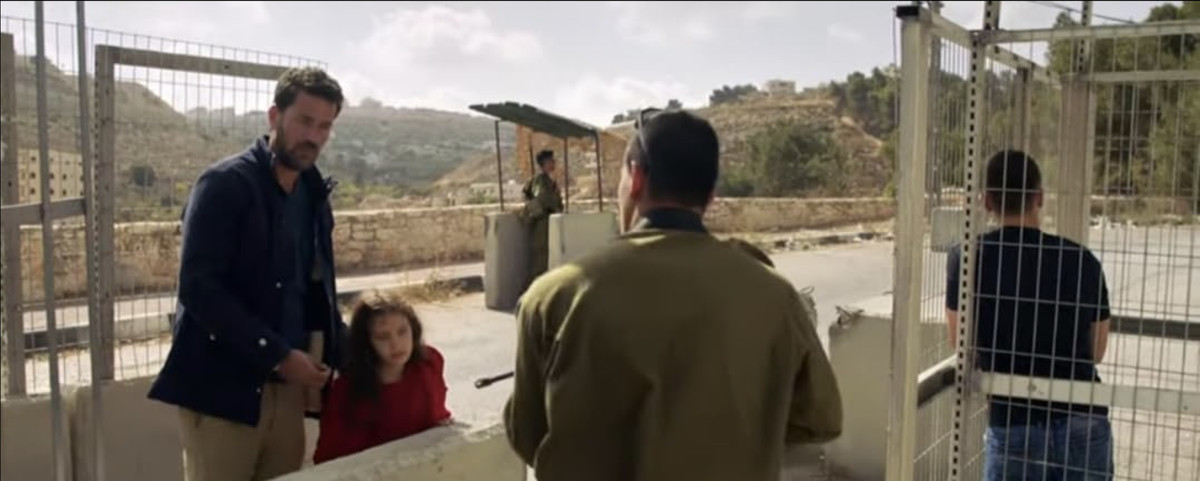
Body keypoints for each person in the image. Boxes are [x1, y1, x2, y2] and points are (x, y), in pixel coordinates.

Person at [503, 109, 843, 481]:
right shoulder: (775, 295)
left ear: (635, 179)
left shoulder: (553, 297)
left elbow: (527, 436)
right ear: (710, 196)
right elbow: (820, 420)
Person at [147, 67, 348, 481]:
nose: (313, 136)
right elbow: (199, 288)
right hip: (223, 393)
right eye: (305, 121)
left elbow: (316, 288)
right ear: (275, 116)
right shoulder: (224, 185)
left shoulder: (312, 195)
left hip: (286, 393)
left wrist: (356, 351)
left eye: (324, 126)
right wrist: (275, 353)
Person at [944, 149, 1113, 480]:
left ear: (986, 201)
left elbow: (959, 341)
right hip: (1082, 416)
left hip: (1013, 420)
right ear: (1040, 198)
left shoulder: (967, 258)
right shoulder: (1081, 260)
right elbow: (1097, 350)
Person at [312, 290, 452, 464]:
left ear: (414, 329)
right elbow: (333, 459)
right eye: (382, 337)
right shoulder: (347, 391)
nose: (396, 344)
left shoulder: (430, 363)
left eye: (402, 331)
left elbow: (439, 420)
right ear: (366, 342)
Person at [518, 149, 564, 285]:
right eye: (551, 161)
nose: (554, 163)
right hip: (542, 223)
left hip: (548, 222)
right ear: (544, 163)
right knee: (540, 260)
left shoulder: (548, 180)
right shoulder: (540, 180)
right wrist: (554, 206)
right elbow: (541, 197)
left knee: (545, 258)